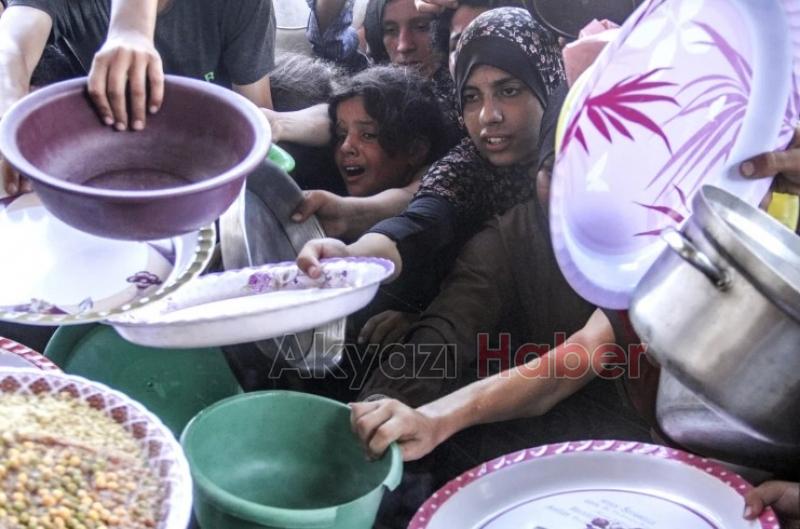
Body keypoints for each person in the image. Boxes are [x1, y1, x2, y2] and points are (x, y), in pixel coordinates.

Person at [297, 7, 566, 312]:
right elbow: (420, 224)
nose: (488, 116)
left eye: (509, 90)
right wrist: (352, 257)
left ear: (549, 85)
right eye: (471, 97)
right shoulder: (465, 168)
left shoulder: (595, 153)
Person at [0, 0, 276, 195]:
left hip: (206, 168)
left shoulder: (239, 4)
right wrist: (9, 119)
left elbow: (256, 114)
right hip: (105, 159)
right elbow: (10, 47)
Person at [295, 65, 449, 240]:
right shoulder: (323, 173)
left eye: (367, 135)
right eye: (341, 135)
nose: (346, 147)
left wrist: (344, 214)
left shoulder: (441, 180)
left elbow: (412, 195)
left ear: (415, 151)